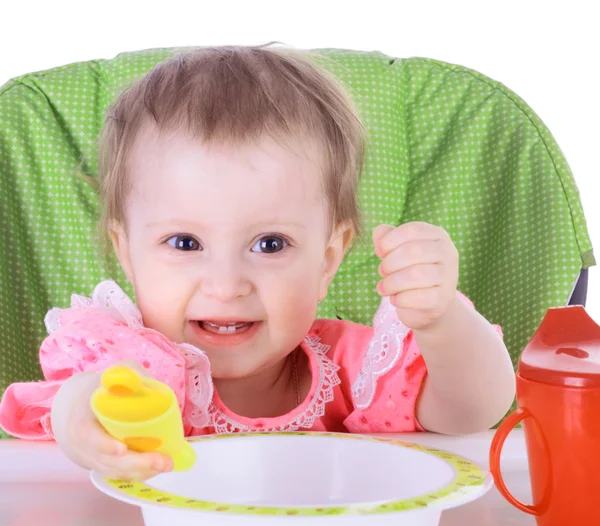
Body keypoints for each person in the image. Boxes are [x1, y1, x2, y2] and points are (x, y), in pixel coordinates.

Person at [0, 45, 516, 481]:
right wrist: (86, 421)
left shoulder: (353, 372)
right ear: (126, 253)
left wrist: (442, 319)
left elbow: (473, 411)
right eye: (184, 243)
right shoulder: (132, 368)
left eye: (270, 244)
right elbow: (77, 399)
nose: (226, 286)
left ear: (328, 259)